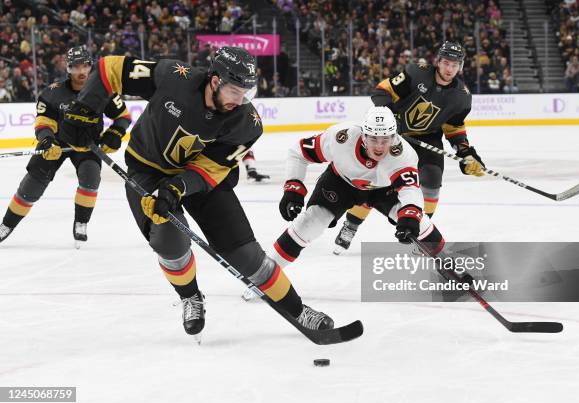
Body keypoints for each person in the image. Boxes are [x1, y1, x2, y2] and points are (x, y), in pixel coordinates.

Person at [59, 46, 334, 342]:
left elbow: (210, 171)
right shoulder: (174, 77)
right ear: (214, 81)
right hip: (147, 170)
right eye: (234, 91)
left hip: (199, 180)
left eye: (246, 93)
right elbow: (109, 68)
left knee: (246, 256)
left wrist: (178, 187)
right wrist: (86, 108)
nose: (240, 101)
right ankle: (191, 297)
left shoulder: (247, 123)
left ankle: (296, 309)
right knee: (169, 240)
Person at [242, 106, 445, 301]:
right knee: (310, 222)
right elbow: (298, 152)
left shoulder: (404, 154)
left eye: (386, 139)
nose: (380, 146)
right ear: (364, 135)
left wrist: (409, 218)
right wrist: (293, 187)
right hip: (341, 182)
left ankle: (452, 268)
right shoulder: (341, 137)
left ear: (395, 137)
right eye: (374, 138)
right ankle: (263, 278)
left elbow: (410, 190)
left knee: (421, 222)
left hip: (384, 189)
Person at [333, 41, 485, 254]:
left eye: (454, 64)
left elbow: (454, 127)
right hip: (395, 135)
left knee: (432, 178)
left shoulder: (462, 96)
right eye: (446, 62)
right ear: (438, 62)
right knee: (375, 182)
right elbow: (382, 90)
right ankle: (351, 225)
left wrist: (465, 151)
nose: (449, 68)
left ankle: (423, 233)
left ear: (460, 66)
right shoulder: (417, 73)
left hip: (428, 139)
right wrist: (388, 117)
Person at [0, 46, 130, 248]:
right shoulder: (53, 93)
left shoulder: (105, 90)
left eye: (85, 66)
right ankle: (6, 224)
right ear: (68, 69)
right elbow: (44, 122)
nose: (81, 72)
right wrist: (47, 141)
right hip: (58, 144)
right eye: (75, 67)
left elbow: (123, 117)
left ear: (91, 65)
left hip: (88, 144)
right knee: (32, 185)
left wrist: (114, 134)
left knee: (91, 178)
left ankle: (81, 222)